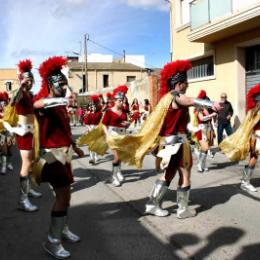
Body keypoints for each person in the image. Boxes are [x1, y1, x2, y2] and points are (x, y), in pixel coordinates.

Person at [143, 60, 221, 218]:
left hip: (170, 144)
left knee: (169, 174)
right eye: (186, 82)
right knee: (184, 175)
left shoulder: (165, 99)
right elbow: (189, 100)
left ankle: (153, 203)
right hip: (177, 145)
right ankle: (182, 209)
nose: (188, 84)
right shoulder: (175, 96)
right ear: (179, 84)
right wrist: (209, 103)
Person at [33, 56, 80, 259]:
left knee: (65, 196)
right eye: (60, 84)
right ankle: (52, 241)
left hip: (65, 156)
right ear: (51, 85)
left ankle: (62, 228)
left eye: (65, 84)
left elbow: (65, 130)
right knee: (62, 197)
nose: (64, 87)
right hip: (52, 158)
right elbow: (37, 104)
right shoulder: (45, 103)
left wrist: (75, 147)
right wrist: (62, 99)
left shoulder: (60, 107)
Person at [4, 59, 42, 212]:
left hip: (32, 132)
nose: (30, 81)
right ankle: (22, 199)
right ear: (21, 79)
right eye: (27, 78)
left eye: (31, 79)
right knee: (26, 164)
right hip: (23, 133)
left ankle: (29, 189)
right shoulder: (19, 93)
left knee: (32, 162)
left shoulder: (29, 94)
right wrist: (21, 86)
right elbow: (12, 102)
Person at [220, 84, 260, 193]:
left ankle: (245, 181)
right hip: (257, 138)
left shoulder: (252, 111)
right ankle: (245, 182)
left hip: (255, 137)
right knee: (253, 159)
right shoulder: (255, 112)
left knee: (253, 159)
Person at [102, 85, 130, 187]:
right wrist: (107, 135)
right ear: (115, 100)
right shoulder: (109, 111)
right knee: (117, 157)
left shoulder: (123, 111)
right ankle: (114, 177)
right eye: (120, 101)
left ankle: (118, 172)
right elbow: (104, 124)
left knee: (120, 157)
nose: (122, 103)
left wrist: (127, 125)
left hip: (122, 135)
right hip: (112, 135)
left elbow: (125, 123)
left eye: (123, 101)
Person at [193, 90, 217, 172]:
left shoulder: (209, 109)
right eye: (206, 102)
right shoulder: (199, 109)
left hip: (208, 129)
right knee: (205, 148)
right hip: (202, 129)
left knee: (206, 149)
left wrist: (215, 121)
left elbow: (214, 115)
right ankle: (200, 164)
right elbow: (201, 118)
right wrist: (212, 115)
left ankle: (203, 164)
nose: (208, 104)